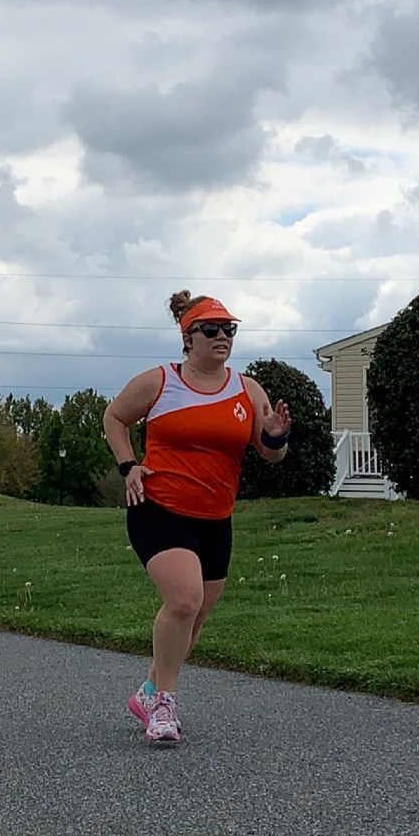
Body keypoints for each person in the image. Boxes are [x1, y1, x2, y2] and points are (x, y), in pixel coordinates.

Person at [102, 290, 291, 745]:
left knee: (195, 620)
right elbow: (114, 417)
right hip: (158, 508)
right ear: (188, 338)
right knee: (183, 601)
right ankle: (164, 705)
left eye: (229, 330)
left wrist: (276, 437)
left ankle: (148, 691)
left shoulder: (248, 390)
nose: (222, 337)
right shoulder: (160, 382)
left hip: (215, 518)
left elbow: (269, 455)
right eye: (211, 330)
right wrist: (129, 466)